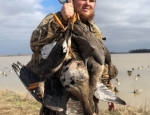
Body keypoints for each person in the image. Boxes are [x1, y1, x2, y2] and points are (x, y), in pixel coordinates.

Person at [26, 0, 117, 114]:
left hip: (88, 102)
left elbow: (100, 63)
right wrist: (61, 18)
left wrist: (109, 91)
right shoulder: (55, 19)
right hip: (57, 105)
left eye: (92, 0)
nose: (88, 3)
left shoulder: (94, 30)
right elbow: (35, 44)